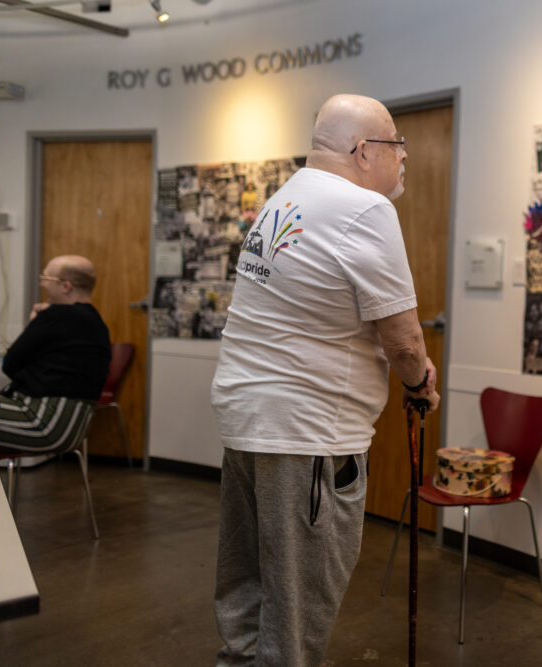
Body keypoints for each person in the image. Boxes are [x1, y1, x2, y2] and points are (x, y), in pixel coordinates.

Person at [209, 94, 440, 666]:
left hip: (248, 423)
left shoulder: (285, 198)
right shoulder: (364, 209)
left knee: (246, 592)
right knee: (296, 609)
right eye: (396, 144)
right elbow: (404, 342)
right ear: (363, 151)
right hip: (308, 434)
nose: (403, 157)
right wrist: (420, 384)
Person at [0, 255, 111, 453]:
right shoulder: (95, 322)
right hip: (68, 429)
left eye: (46, 279)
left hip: (41, 423)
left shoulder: (57, 316)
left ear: (66, 287)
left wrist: (36, 322)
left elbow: (10, 364)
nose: (42, 284)